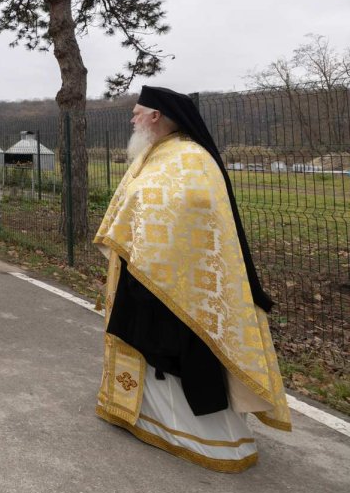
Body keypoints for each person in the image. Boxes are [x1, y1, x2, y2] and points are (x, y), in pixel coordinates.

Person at [94, 86, 290, 472]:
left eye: (137, 113)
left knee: (177, 349)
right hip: (146, 271)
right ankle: (146, 417)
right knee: (145, 341)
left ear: (155, 116)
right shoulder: (159, 153)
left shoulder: (189, 157)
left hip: (178, 279)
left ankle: (201, 437)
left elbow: (186, 206)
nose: (132, 119)